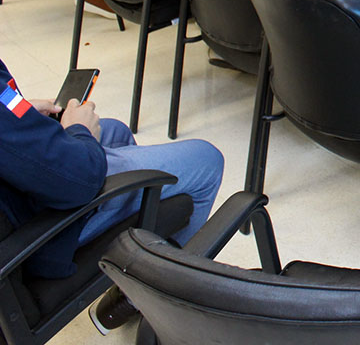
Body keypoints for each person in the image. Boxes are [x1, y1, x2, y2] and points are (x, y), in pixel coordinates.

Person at [0, 57, 223, 332]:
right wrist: (80, 131)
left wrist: (20, 112)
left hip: (17, 194)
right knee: (206, 162)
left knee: (116, 131)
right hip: (35, 233)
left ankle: (132, 286)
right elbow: (80, 179)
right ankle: (164, 303)